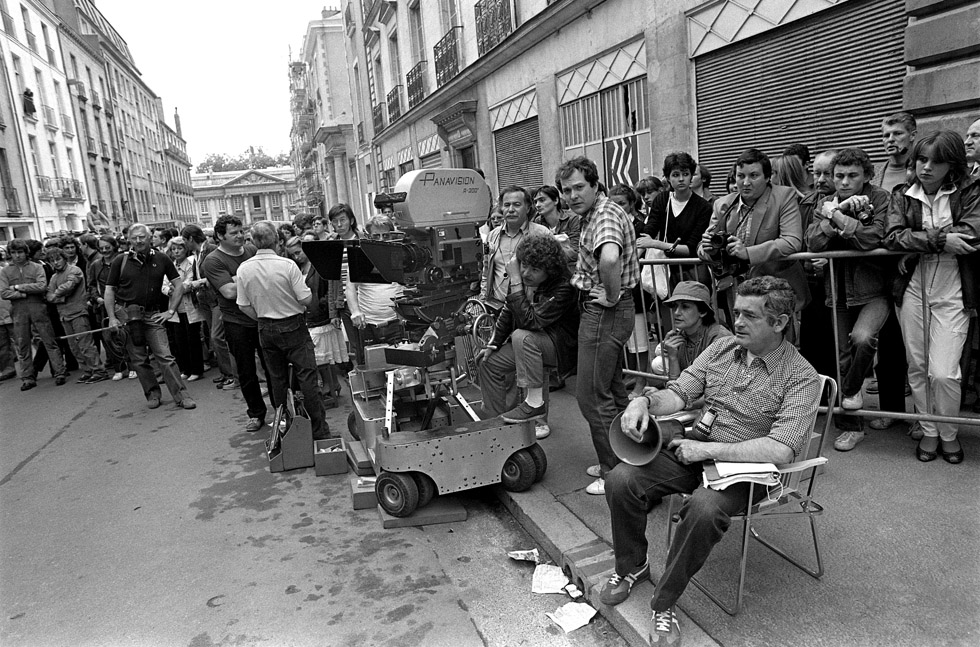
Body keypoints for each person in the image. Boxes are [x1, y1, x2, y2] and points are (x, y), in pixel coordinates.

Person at [601, 276, 820, 646]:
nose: (737, 322)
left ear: (780, 322)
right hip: (697, 449)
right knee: (621, 479)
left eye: (750, 316)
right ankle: (632, 566)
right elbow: (680, 393)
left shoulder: (801, 377)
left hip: (748, 471)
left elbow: (781, 450)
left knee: (703, 509)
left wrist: (708, 451)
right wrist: (642, 402)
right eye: (736, 312)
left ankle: (664, 601)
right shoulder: (722, 350)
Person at [883, 130, 980, 464]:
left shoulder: (970, 191)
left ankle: (949, 432)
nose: (926, 167)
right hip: (912, 287)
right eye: (922, 159)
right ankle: (929, 431)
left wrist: (921, 241)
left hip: (954, 287)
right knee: (918, 366)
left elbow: (972, 233)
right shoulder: (902, 194)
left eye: (936, 161)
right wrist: (940, 241)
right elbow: (893, 236)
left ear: (952, 164)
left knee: (944, 371)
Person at [561, 156, 639, 496]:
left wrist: (610, 294)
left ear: (596, 185)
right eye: (567, 190)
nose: (572, 195)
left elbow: (609, 257)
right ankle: (632, 458)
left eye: (580, 187)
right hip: (609, 310)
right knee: (613, 389)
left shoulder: (604, 213)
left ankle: (614, 471)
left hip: (605, 311)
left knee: (591, 395)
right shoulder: (594, 214)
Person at [805, 148, 892, 451]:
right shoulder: (825, 201)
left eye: (851, 175)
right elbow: (814, 241)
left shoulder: (879, 197)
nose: (843, 181)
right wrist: (835, 211)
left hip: (873, 289)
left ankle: (852, 392)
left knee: (863, 338)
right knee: (842, 357)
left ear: (867, 175)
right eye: (838, 175)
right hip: (837, 292)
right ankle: (852, 425)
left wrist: (838, 216)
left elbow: (873, 238)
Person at [476, 234, 579, 439]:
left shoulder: (564, 285)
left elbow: (530, 322)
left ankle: (534, 404)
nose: (526, 272)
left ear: (549, 269)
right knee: (488, 362)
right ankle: (498, 423)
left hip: (558, 348)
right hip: (532, 343)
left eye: (535, 269)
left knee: (522, 336)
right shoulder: (524, 278)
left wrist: (515, 280)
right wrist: (493, 344)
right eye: (523, 266)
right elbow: (508, 310)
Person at [697, 148, 808, 336]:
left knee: (782, 350)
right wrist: (708, 249)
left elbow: (792, 241)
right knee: (747, 345)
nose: (746, 182)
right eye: (740, 176)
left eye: (754, 176)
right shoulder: (722, 204)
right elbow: (705, 248)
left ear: (768, 177)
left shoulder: (784, 197)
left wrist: (747, 253)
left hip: (776, 291)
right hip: (739, 291)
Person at [236, 221, 329, 441]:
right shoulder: (287, 265)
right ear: (277, 241)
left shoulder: (244, 268)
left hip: (266, 326)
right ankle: (318, 431)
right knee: (307, 377)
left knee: (277, 380)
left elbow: (242, 304)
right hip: (293, 324)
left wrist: (260, 316)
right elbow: (306, 299)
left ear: (253, 242)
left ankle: (283, 429)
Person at [104, 224, 196, 410]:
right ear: (129, 240)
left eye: (142, 237)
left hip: (154, 315)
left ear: (149, 237)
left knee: (165, 356)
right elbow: (109, 291)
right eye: (135, 238)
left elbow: (178, 285)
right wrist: (112, 318)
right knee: (138, 360)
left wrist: (170, 311)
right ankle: (152, 394)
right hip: (127, 316)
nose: (139, 241)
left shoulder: (162, 258)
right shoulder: (119, 261)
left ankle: (181, 395)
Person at [202, 215, 271, 432]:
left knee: (272, 367)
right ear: (220, 236)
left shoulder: (251, 250)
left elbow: (270, 275)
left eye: (241, 231)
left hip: (263, 317)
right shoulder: (213, 260)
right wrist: (251, 276)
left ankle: (282, 410)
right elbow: (229, 292)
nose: (240, 236)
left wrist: (235, 277)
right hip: (237, 322)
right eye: (234, 233)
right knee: (246, 371)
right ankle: (256, 414)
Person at [285, 236, 344, 406]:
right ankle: (332, 386)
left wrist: (324, 305)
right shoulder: (297, 267)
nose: (296, 257)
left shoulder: (319, 265)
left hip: (320, 316)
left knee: (322, 357)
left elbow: (329, 289)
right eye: (292, 255)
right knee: (321, 358)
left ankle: (330, 386)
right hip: (308, 316)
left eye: (298, 252)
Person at [0, 239, 67, 390]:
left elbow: (42, 286)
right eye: (14, 253)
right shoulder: (5, 271)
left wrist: (18, 287)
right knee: (22, 344)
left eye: (20, 252)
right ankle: (28, 377)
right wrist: (23, 295)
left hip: (38, 308)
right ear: (10, 254)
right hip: (18, 310)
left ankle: (59, 372)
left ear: (26, 253)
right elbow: (4, 292)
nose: (17, 256)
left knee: (49, 340)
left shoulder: (37, 267)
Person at [797, 151, 839, 381]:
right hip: (810, 282)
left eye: (828, 173)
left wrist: (831, 260)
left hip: (837, 284)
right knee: (811, 343)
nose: (821, 179)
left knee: (835, 345)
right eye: (817, 173)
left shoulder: (848, 201)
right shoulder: (806, 202)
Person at [345, 215, 407, 363]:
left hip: (397, 323)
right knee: (373, 369)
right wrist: (355, 311)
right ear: (368, 236)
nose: (381, 240)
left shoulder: (402, 255)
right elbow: (350, 287)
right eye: (376, 236)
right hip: (368, 324)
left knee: (402, 368)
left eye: (385, 236)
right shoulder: (360, 257)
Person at [181, 224, 236, 388]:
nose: (184, 244)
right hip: (204, 300)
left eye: (184, 240)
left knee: (217, 337)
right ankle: (225, 372)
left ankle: (232, 374)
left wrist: (195, 284)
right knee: (214, 338)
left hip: (216, 299)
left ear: (191, 238)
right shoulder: (196, 254)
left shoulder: (211, 250)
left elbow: (215, 275)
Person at [44, 247, 107, 384]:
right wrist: (59, 297)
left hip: (78, 312)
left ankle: (98, 370)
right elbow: (49, 295)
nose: (56, 263)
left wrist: (56, 294)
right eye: (52, 260)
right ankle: (87, 370)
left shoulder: (74, 270)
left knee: (85, 343)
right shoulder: (54, 277)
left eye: (58, 259)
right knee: (74, 346)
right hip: (64, 315)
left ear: (64, 258)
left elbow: (69, 286)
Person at [481, 186, 550, 307]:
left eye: (517, 204)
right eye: (507, 205)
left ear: (528, 208)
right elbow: (486, 271)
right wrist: (483, 299)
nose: (511, 210)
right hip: (497, 305)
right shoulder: (492, 236)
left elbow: (551, 273)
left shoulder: (542, 234)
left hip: (529, 308)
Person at [649, 281, 732, 379]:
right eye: (675, 306)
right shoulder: (682, 335)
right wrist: (672, 357)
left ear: (702, 311)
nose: (676, 312)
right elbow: (676, 386)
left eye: (685, 307)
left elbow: (717, 388)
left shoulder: (719, 339)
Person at [88, 235, 132, 380]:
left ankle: (133, 366)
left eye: (108, 247)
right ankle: (119, 368)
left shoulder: (122, 261)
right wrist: (97, 298)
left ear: (114, 246)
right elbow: (92, 285)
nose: (105, 250)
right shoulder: (95, 265)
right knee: (109, 338)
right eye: (101, 248)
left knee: (127, 335)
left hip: (122, 303)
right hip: (103, 306)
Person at [163, 237, 207, 381]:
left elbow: (189, 282)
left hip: (190, 307)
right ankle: (185, 369)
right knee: (179, 340)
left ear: (185, 249)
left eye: (179, 248)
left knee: (193, 339)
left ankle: (197, 369)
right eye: (173, 249)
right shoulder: (169, 264)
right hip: (175, 308)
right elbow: (163, 283)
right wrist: (169, 291)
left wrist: (177, 289)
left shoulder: (190, 263)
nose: (176, 251)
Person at [531, 185, 581, 269]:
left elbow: (575, 252)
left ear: (556, 200)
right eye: (535, 202)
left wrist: (548, 253)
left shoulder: (572, 219)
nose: (537, 205)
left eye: (542, 200)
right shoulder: (538, 221)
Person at [875, 112, 917, 192]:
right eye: (886, 135)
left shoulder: (922, 170)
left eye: (898, 134)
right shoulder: (873, 173)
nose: (890, 139)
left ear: (912, 136)